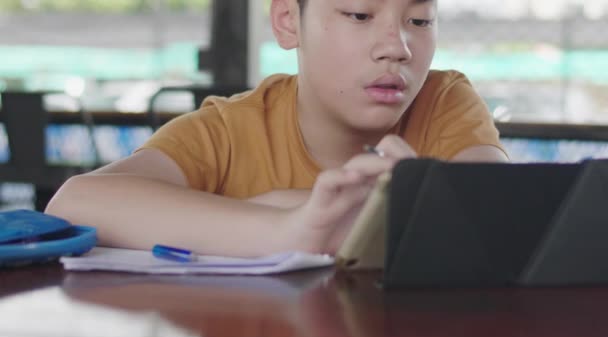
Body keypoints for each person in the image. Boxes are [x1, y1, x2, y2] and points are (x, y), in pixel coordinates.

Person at [46, 0, 509, 257]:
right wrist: (290, 229)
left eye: (420, 20)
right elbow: (77, 201)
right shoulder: (230, 129)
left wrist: (285, 206)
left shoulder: (443, 101)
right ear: (289, 21)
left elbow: (502, 218)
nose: (398, 47)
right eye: (360, 15)